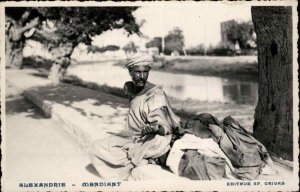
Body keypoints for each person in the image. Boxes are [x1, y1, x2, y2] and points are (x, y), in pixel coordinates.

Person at [89, 54, 181, 180]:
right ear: (130, 71)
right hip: (132, 136)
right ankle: (137, 160)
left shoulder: (155, 96)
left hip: (152, 139)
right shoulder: (129, 88)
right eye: (137, 72)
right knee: (97, 147)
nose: (142, 76)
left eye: (145, 72)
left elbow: (165, 129)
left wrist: (154, 128)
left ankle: (142, 161)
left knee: (140, 152)